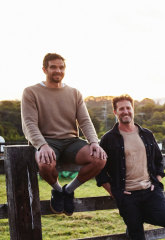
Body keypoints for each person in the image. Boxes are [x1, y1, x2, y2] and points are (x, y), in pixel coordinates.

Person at [96, 95, 165, 240]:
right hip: (127, 196)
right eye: (120, 109)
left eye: (128, 108)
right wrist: (115, 193)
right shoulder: (108, 139)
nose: (125, 112)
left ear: (133, 109)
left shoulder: (146, 134)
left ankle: (134, 221)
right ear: (115, 112)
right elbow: (100, 172)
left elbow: (159, 161)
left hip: (149, 191)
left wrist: (156, 181)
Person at [21, 53, 107, 215]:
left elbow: (85, 121)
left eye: (61, 67)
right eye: (53, 67)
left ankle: (68, 191)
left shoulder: (74, 93)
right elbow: (29, 124)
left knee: (99, 159)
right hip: (46, 141)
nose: (58, 70)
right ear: (44, 69)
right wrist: (42, 145)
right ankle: (57, 190)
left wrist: (94, 142)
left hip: (71, 142)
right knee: (45, 164)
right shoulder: (31, 92)